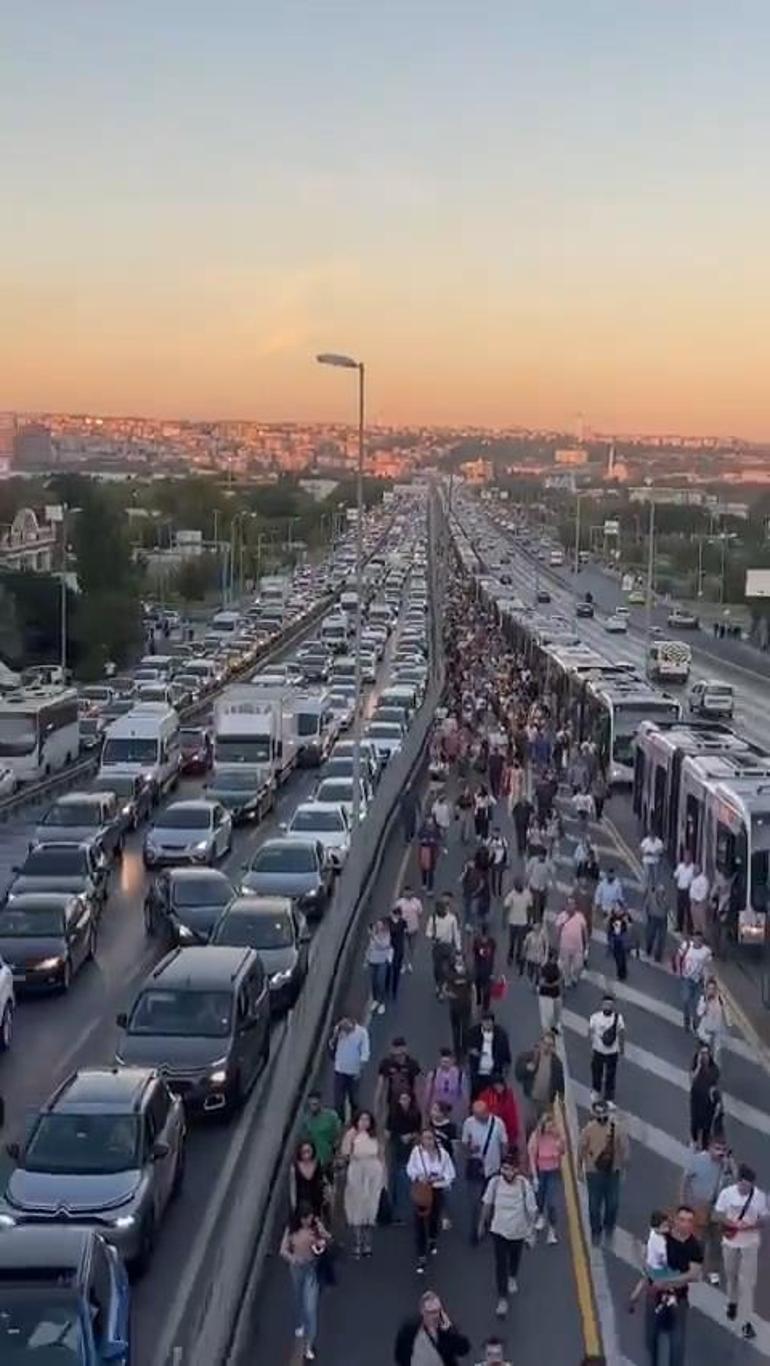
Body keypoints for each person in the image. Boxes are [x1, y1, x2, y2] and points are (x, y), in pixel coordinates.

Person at [478, 1151, 538, 1317]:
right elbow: (487, 1203)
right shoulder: (495, 1183)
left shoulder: (524, 1185)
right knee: (500, 1263)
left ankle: (513, 1275)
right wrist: (482, 1224)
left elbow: (532, 1210)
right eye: (504, 1168)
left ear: (517, 1170)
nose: (507, 1173)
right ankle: (502, 1298)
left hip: (518, 1230)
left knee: (514, 1257)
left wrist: (531, 1231)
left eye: (511, 1169)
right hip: (498, 1230)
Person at [714, 1162, 768, 1341]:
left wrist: (752, 1225)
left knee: (747, 1283)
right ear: (739, 1181)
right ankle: (732, 1301)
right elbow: (717, 1215)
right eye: (744, 1184)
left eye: (750, 1185)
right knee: (731, 1275)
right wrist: (732, 1224)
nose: (747, 1187)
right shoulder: (727, 1194)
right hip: (730, 1241)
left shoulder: (759, 1196)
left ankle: (746, 1322)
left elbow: (764, 1218)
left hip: (750, 1243)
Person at [643, 1205, 702, 1366]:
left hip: (678, 1297)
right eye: (682, 1220)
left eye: (689, 1221)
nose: (685, 1224)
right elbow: (647, 1257)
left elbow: (693, 1273)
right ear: (675, 1220)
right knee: (651, 1336)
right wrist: (652, 1275)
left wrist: (668, 1282)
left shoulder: (694, 1246)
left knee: (677, 1341)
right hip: (655, 1294)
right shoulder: (662, 1236)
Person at [680, 1135, 736, 1283]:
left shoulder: (725, 1165)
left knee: (716, 1241)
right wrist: (684, 1201)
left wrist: (730, 1164)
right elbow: (686, 1179)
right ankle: (695, 1268)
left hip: (718, 1207)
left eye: (723, 1149)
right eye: (717, 1149)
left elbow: (735, 1181)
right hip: (700, 1204)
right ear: (710, 1148)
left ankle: (713, 1271)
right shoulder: (698, 1160)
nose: (720, 1152)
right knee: (700, 1240)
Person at [280, 1204, 330, 1362]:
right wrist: (293, 1258)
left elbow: (327, 1240)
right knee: (298, 1298)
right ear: (301, 1219)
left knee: (311, 1308)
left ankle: (309, 1345)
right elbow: (283, 1250)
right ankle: (301, 1321)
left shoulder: (315, 1228)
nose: (310, 1220)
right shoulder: (291, 1230)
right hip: (296, 1269)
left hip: (310, 1270)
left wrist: (322, 1238)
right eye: (308, 1217)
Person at [578, 1098, 629, 1246]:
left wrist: (624, 1168)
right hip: (593, 1172)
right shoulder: (588, 1129)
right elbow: (581, 1149)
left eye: (603, 1113)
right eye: (598, 1113)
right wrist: (579, 1169)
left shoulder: (617, 1128)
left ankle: (609, 1226)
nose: (601, 1117)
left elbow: (625, 1149)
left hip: (613, 1172)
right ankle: (595, 1231)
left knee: (613, 1204)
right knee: (594, 1206)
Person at [406, 1126, 457, 1272]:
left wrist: (440, 1178)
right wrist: (418, 1176)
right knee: (420, 1222)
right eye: (425, 1138)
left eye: (430, 1138)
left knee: (434, 1218)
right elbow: (410, 1169)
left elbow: (450, 1173)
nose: (428, 1142)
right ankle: (421, 1255)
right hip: (422, 1190)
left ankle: (433, 1239)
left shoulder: (443, 1154)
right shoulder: (417, 1152)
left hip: (436, 1190)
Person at [461, 1098, 508, 1243]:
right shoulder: (468, 1123)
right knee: (475, 1202)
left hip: (492, 1168)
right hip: (475, 1167)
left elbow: (504, 1144)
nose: (480, 1117)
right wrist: (470, 1149)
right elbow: (464, 1144)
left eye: (482, 1113)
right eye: (477, 1114)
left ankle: (488, 1223)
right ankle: (475, 1231)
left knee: (490, 1201)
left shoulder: (498, 1123)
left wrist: (503, 1163)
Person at [340, 1110, 385, 1258]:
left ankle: (368, 1244)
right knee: (357, 1206)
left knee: (370, 1206)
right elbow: (345, 1153)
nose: (364, 1123)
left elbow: (381, 1156)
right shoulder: (352, 1135)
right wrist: (351, 1137)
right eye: (361, 1120)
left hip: (373, 1172)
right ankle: (358, 1243)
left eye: (367, 1120)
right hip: (357, 1170)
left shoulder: (375, 1136)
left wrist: (383, 1177)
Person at [393, 1291, 471, 1366]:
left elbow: (464, 1349)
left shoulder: (446, 1329)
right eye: (431, 1312)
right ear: (422, 1311)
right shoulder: (409, 1330)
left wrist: (450, 1331)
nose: (435, 1316)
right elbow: (400, 1356)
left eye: (438, 1311)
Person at [527, 1109, 565, 1244]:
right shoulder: (536, 1136)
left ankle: (552, 1231)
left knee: (552, 1203)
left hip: (553, 1171)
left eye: (552, 1124)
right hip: (540, 1170)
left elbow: (563, 1150)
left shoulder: (557, 1135)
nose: (551, 1127)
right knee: (539, 1198)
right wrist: (534, 1176)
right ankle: (540, 1216)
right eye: (548, 1125)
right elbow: (532, 1156)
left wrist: (559, 1144)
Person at [514, 1030, 565, 1128]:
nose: (547, 1047)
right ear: (540, 1043)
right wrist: (526, 1068)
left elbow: (560, 1083)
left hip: (546, 1101)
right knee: (529, 1124)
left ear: (553, 1047)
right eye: (545, 1043)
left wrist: (561, 1100)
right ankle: (530, 1141)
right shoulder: (530, 1056)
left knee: (545, 1126)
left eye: (550, 1045)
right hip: (531, 1098)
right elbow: (518, 1074)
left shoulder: (557, 1064)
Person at [388, 1088, 422, 1224]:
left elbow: (418, 1131)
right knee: (397, 1179)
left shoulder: (416, 1114)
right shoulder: (393, 1114)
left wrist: (411, 1136)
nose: (405, 1102)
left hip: (411, 1148)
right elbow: (388, 1132)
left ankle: (410, 1210)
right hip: (397, 1147)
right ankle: (397, 1212)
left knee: (410, 1178)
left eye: (407, 1099)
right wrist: (398, 1137)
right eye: (402, 1099)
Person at [330, 1016, 370, 1121]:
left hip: (354, 1071)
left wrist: (360, 1069)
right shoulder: (339, 1030)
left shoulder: (361, 1033)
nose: (345, 1029)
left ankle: (355, 1122)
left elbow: (365, 1052)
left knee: (354, 1100)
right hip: (339, 1070)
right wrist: (336, 1035)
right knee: (338, 1101)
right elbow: (332, 1046)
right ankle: (340, 1123)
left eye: (346, 1026)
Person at [375, 1036, 422, 1124]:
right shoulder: (386, 1063)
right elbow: (380, 1086)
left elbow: (418, 1085)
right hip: (391, 1101)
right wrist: (378, 1105)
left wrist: (420, 1105)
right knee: (390, 1127)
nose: (398, 1057)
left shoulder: (412, 1064)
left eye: (401, 1053)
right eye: (396, 1054)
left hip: (409, 1101)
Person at [588, 993, 625, 1103]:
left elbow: (622, 1033)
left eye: (610, 1004)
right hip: (598, 1050)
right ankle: (596, 1090)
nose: (608, 1007)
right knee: (596, 1072)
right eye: (606, 1004)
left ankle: (609, 1096)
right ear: (602, 1005)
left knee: (610, 1074)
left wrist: (622, 1048)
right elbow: (590, 1031)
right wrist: (591, 1046)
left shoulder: (618, 1018)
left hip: (612, 1052)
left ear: (613, 1006)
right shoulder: (595, 1017)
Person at [467, 1011, 512, 1099]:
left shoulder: (501, 1035)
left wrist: (505, 1070)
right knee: (476, 1098)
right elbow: (467, 1048)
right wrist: (472, 1052)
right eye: (485, 1021)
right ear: (481, 1021)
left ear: (493, 1022)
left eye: (489, 1021)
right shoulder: (473, 1033)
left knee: (495, 1099)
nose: (487, 1023)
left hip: (494, 1074)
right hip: (477, 1073)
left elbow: (506, 1054)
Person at [677, 931, 713, 1033]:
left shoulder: (706, 951)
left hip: (698, 981)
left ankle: (696, 1024)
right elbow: (678, 956)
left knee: (697, 1004)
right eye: (696, 939)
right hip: (686, 978)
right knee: (686, 1000)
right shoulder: (686, 946)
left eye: (700, 940)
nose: (698, 942)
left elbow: (709, 966)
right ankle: (687, 1020)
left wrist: (707, 979)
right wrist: (679, 971)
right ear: (693, 939)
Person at [426, 898, 462, 999]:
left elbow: (456, 933)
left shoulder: (452, 919)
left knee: (451, 966)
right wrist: (433, 936)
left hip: (448, 946)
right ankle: (439, 985)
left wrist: (458, 947)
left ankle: (447, 985)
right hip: (437, 946)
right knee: (438, 968)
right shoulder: (432, 918)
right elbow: (428, 931)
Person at [424, 1047, 468, 1127]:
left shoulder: (460, 1075)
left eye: (447, 1061)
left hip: (454, 1111)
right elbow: (427, 1094)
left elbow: (465, 1096)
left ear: (453, 1061)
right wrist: (427, 1109)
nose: (444, 1064)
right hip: (437, 1111)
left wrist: (465, 1111)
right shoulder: (433, 1074)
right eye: (443, 1061)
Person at [689, 1044, 723, 1149]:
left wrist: (717, 1102)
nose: (705, 1056)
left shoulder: (714, 1069)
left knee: (706, 1127)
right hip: (696, 1099)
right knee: (695, 1123)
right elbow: (692, 1080)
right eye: (702, 1054)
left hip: (708, 1103)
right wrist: (699, 1066)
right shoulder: (695, 1067)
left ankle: (704, 1146)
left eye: (706, 1054)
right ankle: (694, 1142)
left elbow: (715, 1086)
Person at [300, 1091, 342, 1174]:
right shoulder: (307, 1120)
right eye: (311, 1105)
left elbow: (339, 1134)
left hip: (329, 1156)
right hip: (313, 1159)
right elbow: (304, 1140)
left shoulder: (331, 1116)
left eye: (315, 1104)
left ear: (320, 1103)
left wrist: (336, 1152)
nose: (313, 1107)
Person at [477, 1074, 520, 1151]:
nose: (499, 1088)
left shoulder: (508, 1096)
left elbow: (512, 1115)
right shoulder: (485, 1096)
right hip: (490, 1130)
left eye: (500, 1085)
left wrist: (513, 1135)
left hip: (505, 1129)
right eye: (496, 1086)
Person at [289, 1140, 330, 1220]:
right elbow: (293, 1186)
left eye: (308, 1151)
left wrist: (327, 1194)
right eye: (304, 1152)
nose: (306, 1155)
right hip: (302, 1200)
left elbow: (323, 1179)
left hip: (317, 1198)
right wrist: (293, 1204)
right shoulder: (295, 1167)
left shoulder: (317, 1163)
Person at [696, 977, 729, 1065]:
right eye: (709, 988)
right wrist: (705, 1004)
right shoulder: (703, 999)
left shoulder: (720, 1000)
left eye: (713, 989)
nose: (711, 991)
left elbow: (726, 1012)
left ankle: (716, 1069)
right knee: (701, 1050)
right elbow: (699, 1012)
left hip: (717, 1031)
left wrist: (729, 1022)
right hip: (705, 1030)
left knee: (717, 1053)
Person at [445, 955, 474, 1059]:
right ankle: (457, 1051)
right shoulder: (450, 974)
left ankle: (464, 1050)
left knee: (465, 1030)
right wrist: (449, 994)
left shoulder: (468, 973)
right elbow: (447, 988)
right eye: (457, 961)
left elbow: (472, 985)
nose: (459, 963)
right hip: (455, 1007)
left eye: (461, 960)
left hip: (466, 1005)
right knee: (456, 1031)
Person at [556, 900, 588, 988]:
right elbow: (558, 929)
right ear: (566, 906)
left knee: (579, 965)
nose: (571, 907)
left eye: (573, 905)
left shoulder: (580, 916)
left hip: (578, 946)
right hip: (565, 946)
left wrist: (586, 942)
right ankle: (567, 981)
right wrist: (558, 941)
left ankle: (574, 976)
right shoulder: (561, 916)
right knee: (565, 965)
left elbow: (585, 930)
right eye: (569, 905)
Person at [365, 918, 393, 1015]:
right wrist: (366, 959)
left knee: (380, 982)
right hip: (373, 960)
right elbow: (370, 947)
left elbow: (383, 945)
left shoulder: (387, 935)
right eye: (377, 924)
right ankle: (376, 999)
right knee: (374, 982)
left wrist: (373, 936)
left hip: (382, 961)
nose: (378, 926)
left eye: (380, 925)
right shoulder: (374, 934)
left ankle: (382, 1002)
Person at [504, 877, 532, 970]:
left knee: (520, 942)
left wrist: (529, 920)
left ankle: (517, 957)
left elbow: (529, 907)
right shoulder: (511, 895)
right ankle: (511, 956)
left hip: (523, 922)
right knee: (512, 941)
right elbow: (506, 907)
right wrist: (504, 920)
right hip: (513, 921)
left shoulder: (527, 894)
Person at [396, 886, 423, 971]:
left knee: (412, 947)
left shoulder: (417, 902)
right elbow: (396, 915)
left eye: (410, 892)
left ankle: (409, 963)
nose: (408, 894)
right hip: (402, 929)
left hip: (413, 928)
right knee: (404, 947)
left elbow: (420, 912)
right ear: (403, 893)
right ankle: (404, 964)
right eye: (406, 892)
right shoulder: (399, 903)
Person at [537, 947, 563, 1032]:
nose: (557, 959)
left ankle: (554, 1026)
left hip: (556, 993)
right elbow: (541, 983)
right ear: (550, 958)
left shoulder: (557, 966)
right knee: (547, 1014)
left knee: (557, 1012)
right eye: (555, 958)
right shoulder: (545, 968)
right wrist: (552, 984)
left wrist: (559, 981)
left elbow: (560, 975)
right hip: (546, 994)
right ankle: (546, 1031)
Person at [472, 924, 497, 1012]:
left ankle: (484, 1006)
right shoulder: (489, 942)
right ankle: (481, 1002)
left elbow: (475, 952)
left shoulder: (481, 941)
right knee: (479, 987)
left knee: (485, 989)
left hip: (483, 969)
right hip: (483, 969)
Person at [606, 904, 632, 981]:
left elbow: (630, 927)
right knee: (618, 958)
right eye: (616, 909)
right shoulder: (612, 917)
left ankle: (622, 973)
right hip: (614, 940)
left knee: (622, 958)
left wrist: (626, 921)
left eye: (619, 909)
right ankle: (621, 972)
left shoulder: (625, 916)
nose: (617, 911)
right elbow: (608, 927)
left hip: (623, 940)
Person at [644, 882, 669, 963]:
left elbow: (666, 909)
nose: (661, 894)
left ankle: (658, 956)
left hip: (662, 920)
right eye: (659, 892)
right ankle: (648, 949)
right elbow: (646, 906)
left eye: (662, 892)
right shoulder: (651, 897)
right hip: (653, 918)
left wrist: (662, 901)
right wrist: (647, 916)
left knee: (661, 938)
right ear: (657, 891)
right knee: (650, 935)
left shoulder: (666, 899)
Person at [526, 849, 552, 923]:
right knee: (534, 904)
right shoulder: (533, 861)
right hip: (534, 886)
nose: (541, 857)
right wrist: (528, 882)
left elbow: (552, 871)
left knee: (542, 905)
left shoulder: (548, 862)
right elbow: (528, 871)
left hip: (543, 888)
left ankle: (539, 919)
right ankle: (533, 921)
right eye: (540, 856)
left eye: (542, 856)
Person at [673, 851, 695, 935]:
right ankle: (679, 926)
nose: (687, 859)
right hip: (680, 890)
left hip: (688, 891)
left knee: (689, 910)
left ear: (691, 858)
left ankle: (690, 928)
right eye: (685, 857)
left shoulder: (693, 868)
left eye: (688, 857)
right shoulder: (680, 866)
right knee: (680, 909)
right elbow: (675, 875)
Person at [522, 920, 548, 989]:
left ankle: (536, 985)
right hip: (531, 956)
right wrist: (524, 953)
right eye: (536, 928)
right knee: (530, 971)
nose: (537, 929)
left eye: (538, 928)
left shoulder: (542, 936)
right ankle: (530, 982)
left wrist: (545, 955)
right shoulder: (529, 936)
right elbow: (525, 945)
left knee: (538, 972)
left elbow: (545, 945)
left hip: (539, 957)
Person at [688, 865, 710, 936]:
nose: (693, 871)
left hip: (700, 905)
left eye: (695, 870)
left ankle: (705, 939)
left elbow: (704, 893)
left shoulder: (703, 880)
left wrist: (697, 900)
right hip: (693, 904)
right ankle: (697, 938)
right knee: (696, 923)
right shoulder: (693, 879)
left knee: (702, 923)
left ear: (699, 870)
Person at [488, 828, 508, 898]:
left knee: (500, 878)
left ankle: (499, 892)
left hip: (500, 860)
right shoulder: (490, 840)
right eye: (494, 833)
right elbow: (486, 846)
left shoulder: (503, 840)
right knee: (493, 877)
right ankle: (493, 891)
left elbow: (506, 847)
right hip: (493, 860)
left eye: (497, 833)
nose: (495, 834)